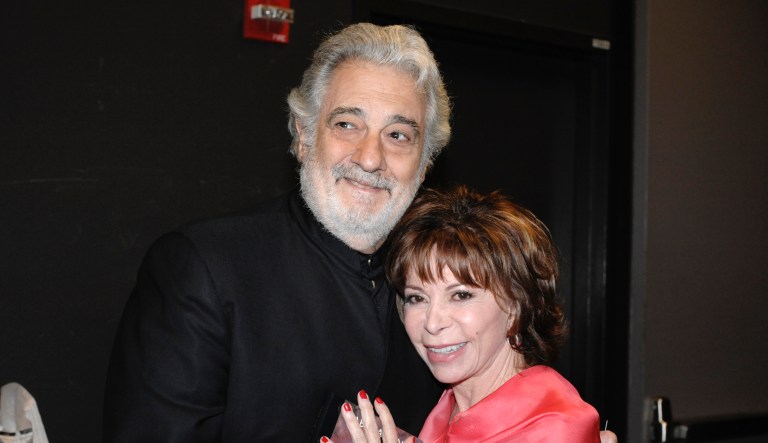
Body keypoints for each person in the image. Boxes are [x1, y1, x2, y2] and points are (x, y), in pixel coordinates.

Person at [104, 22, 617, 443]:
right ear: (304, 136)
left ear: (425, 159)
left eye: (398, 135)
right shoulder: (206, 267)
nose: (371, 158)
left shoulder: (433, 281)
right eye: (347, 125)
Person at [324, 185, 603, 442]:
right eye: (416, 298)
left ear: (517, 305)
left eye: (461, 295)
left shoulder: (555, 427)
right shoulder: (447, 407)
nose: (432, 323)